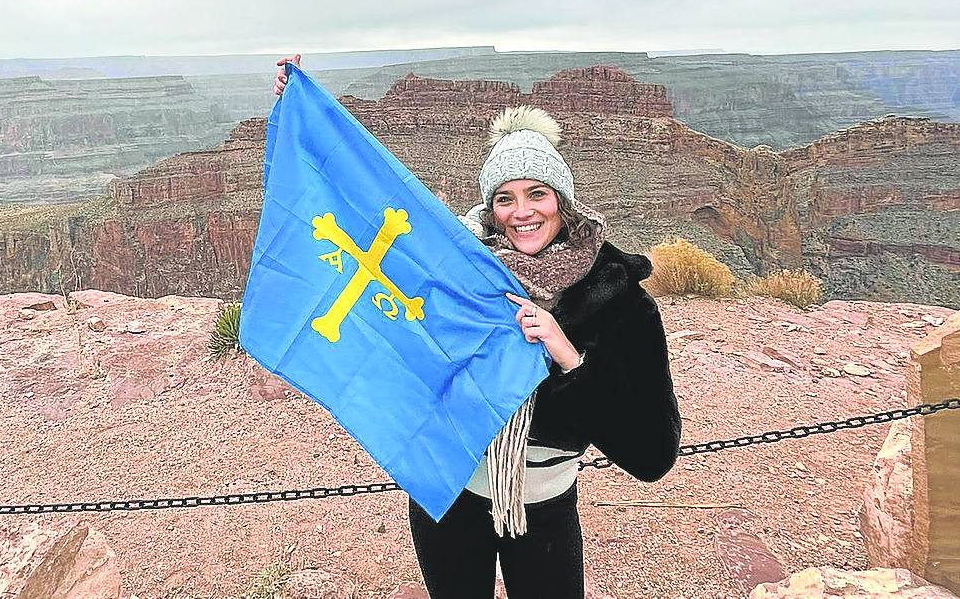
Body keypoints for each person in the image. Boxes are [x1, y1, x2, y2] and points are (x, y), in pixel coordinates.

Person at [273, 55, 681, 599]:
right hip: (447, 494)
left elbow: (653, 455)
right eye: (504, 199)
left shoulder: (620, 305)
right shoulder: (454, 277)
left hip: (542, 511)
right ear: (489, 212)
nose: (522, 212)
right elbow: (356, 205)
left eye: (538, 193)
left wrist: (571, 360)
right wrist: (296, 113)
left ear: (563, 202)